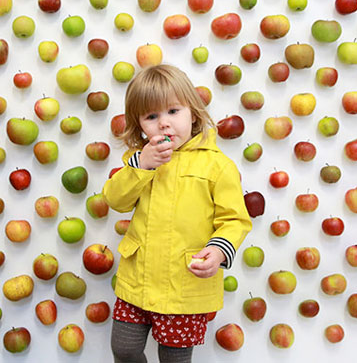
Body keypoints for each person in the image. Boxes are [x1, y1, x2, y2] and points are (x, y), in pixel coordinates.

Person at [102, 64, 252, 363]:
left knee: (174, 359)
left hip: (184, 287)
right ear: (140, 125)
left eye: (173, 111)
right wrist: (141, 166)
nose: (164, 124)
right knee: (124, 349)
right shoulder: (139, 161)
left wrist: (218, 251)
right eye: (152, 116)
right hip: (137, 281)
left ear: (192, 112)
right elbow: (115, 199)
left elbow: (234, 220)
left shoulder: (217, 166)